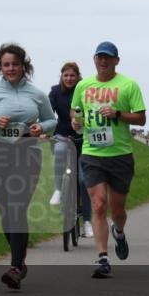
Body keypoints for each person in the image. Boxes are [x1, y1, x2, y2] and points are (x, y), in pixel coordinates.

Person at [0, 43, 57, 290]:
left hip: (28, 153)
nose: (11, 69)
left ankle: (16, 267)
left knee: (17, 207)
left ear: (23, 65)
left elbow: (51, 120)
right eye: (6, 65)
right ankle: (20, 260)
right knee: (5, 211)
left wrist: (41, 127)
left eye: (15, 64)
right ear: (0, 67)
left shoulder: (36, 94)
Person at [70, 42, 147, 279]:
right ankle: (103, 258)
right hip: (92, 153)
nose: (103, 61)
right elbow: (75, 111)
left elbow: (141, 119)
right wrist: (76, 121)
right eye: (99, 57)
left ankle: (119, 232)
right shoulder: (83, 85)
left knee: (118, 210)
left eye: (108, 58)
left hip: (120, 155)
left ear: (116, 60)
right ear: (94, 59)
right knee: (98, 204)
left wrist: (117, 114)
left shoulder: (128, 85)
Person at [48, 62, 93, 237]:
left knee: (83, 180)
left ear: (78, 76)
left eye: (72, 75)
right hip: (62, 136)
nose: (69, 78)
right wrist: (44, 129)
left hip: (83, 140)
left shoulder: (85, 91)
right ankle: (58, 190)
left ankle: (87, 221)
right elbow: (48, 112)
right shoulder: (55, 92)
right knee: (59, 152)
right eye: (65, 75)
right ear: (61, 76)